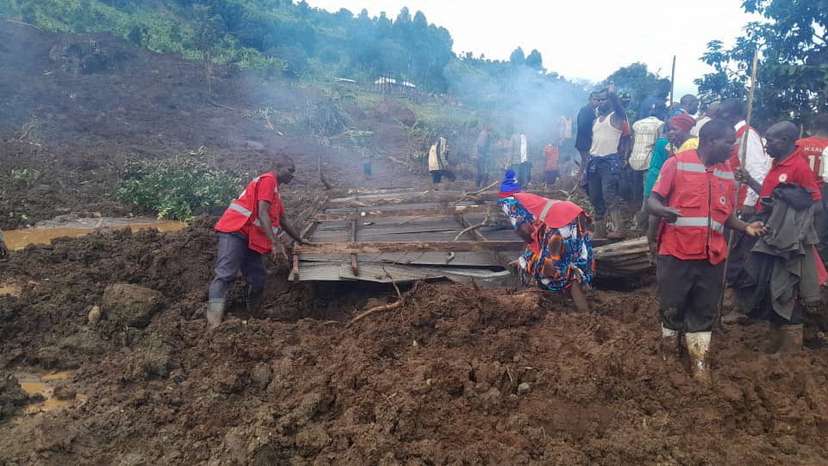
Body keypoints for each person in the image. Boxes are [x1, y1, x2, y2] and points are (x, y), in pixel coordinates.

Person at [647, 119, 766, 384]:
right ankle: (669, 357)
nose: (733, 149)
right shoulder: (676, 164)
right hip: (676, 253)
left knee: (704, 309)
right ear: (711, 140)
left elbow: (727, 216)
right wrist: (663, 212)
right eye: (728, 143)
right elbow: (653, 200)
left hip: (711, 256)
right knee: (673, 306)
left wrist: (746, 227)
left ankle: (700, 363)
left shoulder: (726, 173)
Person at [734, 121, 825, 352]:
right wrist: (749, 181)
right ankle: (776, 339)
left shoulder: (798, 167)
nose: (766, 145)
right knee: (767, 284)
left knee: (784, 286)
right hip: (768, 235)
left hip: (787, 243)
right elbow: (769, 198)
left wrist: (796, 233)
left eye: (771, 140)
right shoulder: (777, 164)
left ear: (785, 141)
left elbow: (815, 204)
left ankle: (791, 348)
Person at [207, 156, 305, 329]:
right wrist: (274, 243)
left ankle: (252, 316)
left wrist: (301, 240)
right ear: (277, 166)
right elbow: (262, 212)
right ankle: (214, 323)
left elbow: (282, 219)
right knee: (225, 274)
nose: (292, 175)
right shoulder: (268, 180)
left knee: (258, 278)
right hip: (235, 231)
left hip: (250, 237)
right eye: (290, 170)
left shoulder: (275, 191)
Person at [498, 170, 594, 312]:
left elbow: (525, 230)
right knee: (571, 260)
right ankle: (577, 299)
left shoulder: (509, 202)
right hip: (574, 215)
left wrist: (526, 257)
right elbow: (537, 235)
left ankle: (584, 313)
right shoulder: (526, 198)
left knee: (552, 269)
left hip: (558, 224)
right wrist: (526, 257)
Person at [644, 114, 697, 242]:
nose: (670, 133)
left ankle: (653, 242)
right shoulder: (676, 145)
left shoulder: (691, 145)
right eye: (668, 130)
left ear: (685, 129)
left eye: (675, 129)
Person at [584, 87, 628, 239]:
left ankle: (619, 229)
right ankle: (600, 230)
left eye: (605, 99)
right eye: (599, 99)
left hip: (609, 162)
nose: (601, 102)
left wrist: (613, 95)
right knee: (595, 196)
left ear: (610, 101)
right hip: (594, 161)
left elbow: (619, 107)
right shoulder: (596, 120)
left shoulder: (616, 117)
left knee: (609, 195)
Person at [717, 98, 772, 212]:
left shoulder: (747, 134)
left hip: (742, 202)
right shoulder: (735, 134)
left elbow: (756, 170)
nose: (719, 120)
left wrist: (749, 203)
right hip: (730, 199)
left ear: (731, 116)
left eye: (721, 115)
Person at [797, 114, 828, 256]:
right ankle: (818, 274)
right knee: (818, 241)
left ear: (814, 126)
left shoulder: (799, 144)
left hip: (799, 196)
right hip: (822, 198)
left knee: (796, 237)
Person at [575, 92, 600, 171]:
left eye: (598, 100)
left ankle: (581, 180)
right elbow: (581, 126)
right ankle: (582, 181)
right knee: (587, 162)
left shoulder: (594, 111)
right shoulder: (585, 110)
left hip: (587, 142)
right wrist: (591, 136)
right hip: (584, 142)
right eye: (594, 99)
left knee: (585, 162)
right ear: (589, 100)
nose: (596, 102)